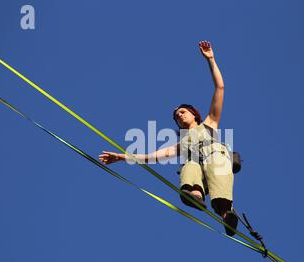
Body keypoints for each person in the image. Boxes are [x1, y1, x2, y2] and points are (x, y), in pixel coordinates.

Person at [98, 40, 238, 236]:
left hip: (216, 162)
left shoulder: (210, 124)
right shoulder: (181, 145)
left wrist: (211, 60)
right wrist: (122, 157)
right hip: (199, 169)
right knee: (189, 165)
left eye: (182, 112)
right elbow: (151, 156)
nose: (179, 116)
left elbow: (220, 89)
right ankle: (196, 195)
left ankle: (227, 215)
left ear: (193, 114)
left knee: (214, 161)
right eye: (176, 116)